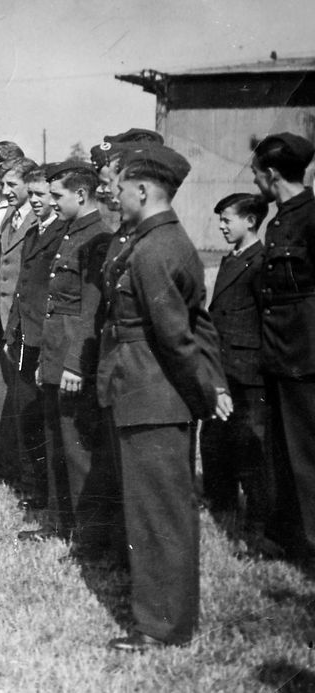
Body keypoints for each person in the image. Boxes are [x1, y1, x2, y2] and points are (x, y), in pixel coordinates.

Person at [97, 144, 231, 651]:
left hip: (152, 394)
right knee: (158, 512)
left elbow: (177, 337)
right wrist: (209, 385)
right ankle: (164, 616)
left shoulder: (155, 249)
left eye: (122, 185)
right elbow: (198, 324)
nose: (117, 194)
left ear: (143, 189)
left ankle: (161, 626)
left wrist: (204, 393)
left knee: (158, 517)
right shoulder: (162, 241)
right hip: (148, 391)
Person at [19, 162, 117, 559]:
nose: (52, 202)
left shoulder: (98, 237)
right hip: (55, 351)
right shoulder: (72, 232)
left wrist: (75, 363)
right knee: (56, 440)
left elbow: (91, 309)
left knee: (77, 447)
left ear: (81, 194)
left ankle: (90, 538)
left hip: (75, 358)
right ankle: (61, 525)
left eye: (57, 196)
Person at [249, 132, 315, 569]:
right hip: (279, 352)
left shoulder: (310, 217)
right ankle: (288, 537)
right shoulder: (278, 220)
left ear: (272, 175)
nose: (255, 184)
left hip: (306, 352)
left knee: (307, 453)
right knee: (283, 452)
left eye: (256, 175)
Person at [200, 192, 278, 558]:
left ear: (250, 221)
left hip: (248, 373)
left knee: (250, 447)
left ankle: (259, 525)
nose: (221, 226)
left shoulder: (260, 261)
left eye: (227, 219)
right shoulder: (231, 260)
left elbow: (266, 320)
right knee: (215, 441)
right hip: (223, 368)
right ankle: (221, 505)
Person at [3, 166, 65, 512]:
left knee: (44, 417)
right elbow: (21, 289)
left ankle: (45, 490)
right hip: (25, 338)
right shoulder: (33, 234)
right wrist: (13, 331)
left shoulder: (60, 234)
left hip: (47, 341)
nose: (37, 200)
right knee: (26, 413)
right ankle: (32, 486)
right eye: (35, 194)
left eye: (43, 195)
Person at [0, 156, 39, 487]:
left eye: (12, 185)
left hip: (22, 324)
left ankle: (25, 469)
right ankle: (4, 463)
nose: (5, 191)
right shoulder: (7, 218)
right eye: (3, 184)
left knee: (23, 400)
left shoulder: (37, 220)